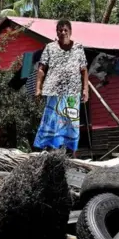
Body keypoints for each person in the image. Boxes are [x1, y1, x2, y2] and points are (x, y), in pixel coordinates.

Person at [33, 19, 89, 157]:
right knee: (52, 121)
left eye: (66, 30)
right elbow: (41, 69)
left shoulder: (78, 48)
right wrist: (38, 88)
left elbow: (84, 70)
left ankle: (71, 154)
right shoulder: (50, 48)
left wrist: (85, 89)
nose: (63, 33)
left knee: (71, 122)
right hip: (54, 92)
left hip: (72, 93)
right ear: (57, 32)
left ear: (70, 32)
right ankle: (50, 153)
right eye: (60, 30)